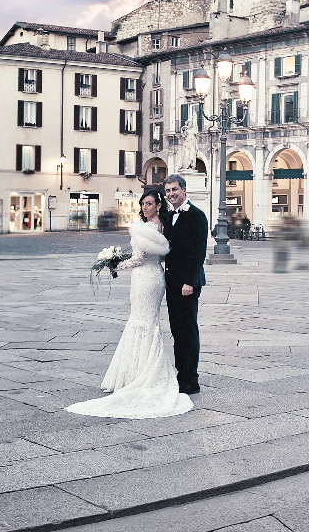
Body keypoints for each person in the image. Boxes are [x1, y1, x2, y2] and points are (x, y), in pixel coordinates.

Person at [67, 188, 192, 418]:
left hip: (146, 279)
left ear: (158, 206)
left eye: (149, 204)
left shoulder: (151, 227)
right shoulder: (159, 226)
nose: (145, 207)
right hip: (152, 277)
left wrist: (114, 265)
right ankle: (141, 370)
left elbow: (138, 258)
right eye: (143, 204)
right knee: (146, 322)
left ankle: (140, 374)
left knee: (142, 321)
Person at [160, 174, 207, 396]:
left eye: (175, 190)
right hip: (172, 282)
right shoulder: (169, 216)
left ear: (184, 190)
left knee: (188, 330)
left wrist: (190, 281)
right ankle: (181, 375)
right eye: (168, 191)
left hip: (188, 283)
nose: (171, 194)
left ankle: (191, 379)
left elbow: (199, 253)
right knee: (177, 331)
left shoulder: (197, 216)